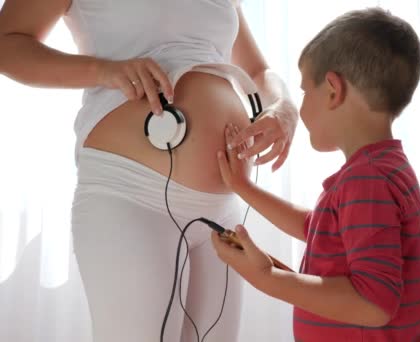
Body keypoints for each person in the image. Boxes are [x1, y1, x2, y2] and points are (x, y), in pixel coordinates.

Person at [0, 0, 298, 341]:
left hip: (223, 211)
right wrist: (105, 70)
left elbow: (259, 72)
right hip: (130, 195)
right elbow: (7, 44)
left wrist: (284, 106)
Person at [213, 7, 420, 341]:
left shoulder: (367, 181)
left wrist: (268, 277)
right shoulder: (383, 169)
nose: (301, 105)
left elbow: (374, 304)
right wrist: (243, 188)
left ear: (332, 89)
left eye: (303, 91)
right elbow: (316, 229)